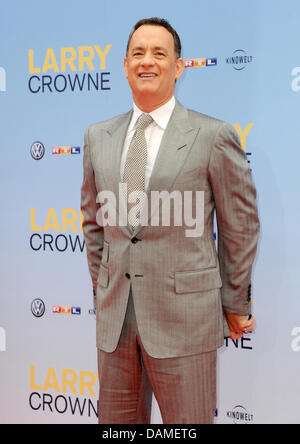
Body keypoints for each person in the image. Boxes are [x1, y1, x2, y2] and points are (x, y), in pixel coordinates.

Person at [81, 17, 260, 424]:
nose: (148, 61)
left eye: (159, 53)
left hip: (185, 320)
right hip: (116, 325)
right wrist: (103, 287)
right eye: (139, 53)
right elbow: (95, 225)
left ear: (179, 67)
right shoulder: (97, 137)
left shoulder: (212, 135)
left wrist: (234, 302)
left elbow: (240, 226)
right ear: (125, 65)